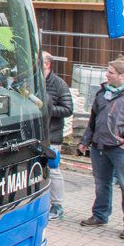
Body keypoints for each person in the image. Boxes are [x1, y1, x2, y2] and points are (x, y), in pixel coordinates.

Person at [78, 56, 124, 240]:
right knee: (101, 184)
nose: (106, 75)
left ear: (123, 76)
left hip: (123, 150)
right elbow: (93, 119)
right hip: (99, 146)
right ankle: (100, 215)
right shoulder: (102, 93)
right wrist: (85, 141)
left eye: (111, 72)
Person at [43, 51, 74, 220]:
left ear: (47, 64)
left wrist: (45, 109)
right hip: (37, 134)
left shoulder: (59, 84)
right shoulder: (33, 82)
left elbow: (68, 109)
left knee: (53, 169)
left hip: (52, 136)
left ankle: (57, 205)